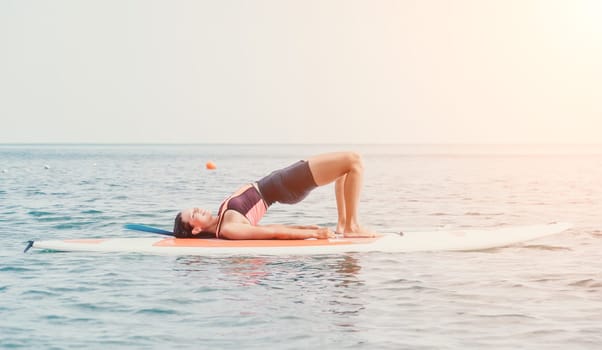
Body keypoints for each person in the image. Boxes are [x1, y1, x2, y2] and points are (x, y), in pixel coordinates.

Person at [173, 151, 374, 240]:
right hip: (287, 184)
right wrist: (313, 234)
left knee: (343, 170)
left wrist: (304, 227)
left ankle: (343, 224)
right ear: (196, 230)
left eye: (193, 209)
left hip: (283, 179)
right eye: (193, 215)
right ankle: (352, 226)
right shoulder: (229, 228)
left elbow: (267, 228)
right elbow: (271, 233)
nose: (196, 209)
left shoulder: (222, 220)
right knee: (353, 160)